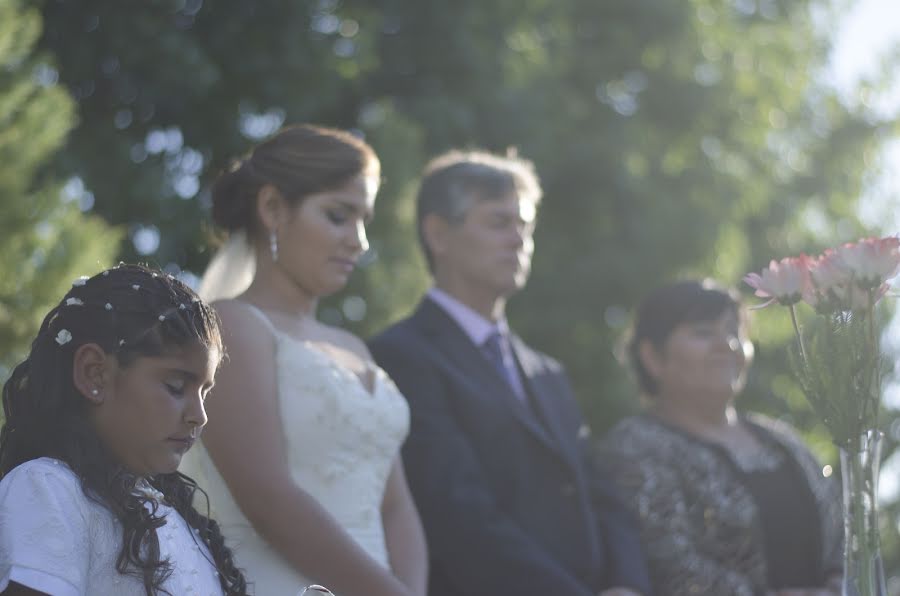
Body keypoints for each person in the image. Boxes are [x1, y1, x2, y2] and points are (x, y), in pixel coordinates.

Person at [369, 150, 651, 596]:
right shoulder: (401, 356)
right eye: (499, 223)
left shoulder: (548, 372)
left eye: (526, 225)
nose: (519, 239)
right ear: (439, 233)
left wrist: (627, 586)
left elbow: (601, 495)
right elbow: (456, 513)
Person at [182, 124, 427, 596]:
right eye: (338, 215)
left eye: (365, 221)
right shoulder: (231, 326)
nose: (360, 242)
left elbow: (395, 505)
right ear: (273, 207)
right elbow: (269, 499)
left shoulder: (356, 349)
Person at [0, 264, 247, 596]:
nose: (200, 416)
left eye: (205, 392)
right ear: (94, 373)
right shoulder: (50, 489)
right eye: (176, 386)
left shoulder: (173, 513)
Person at [600, 279, 843, 596]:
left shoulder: (783, 439)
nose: (726, 344)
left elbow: (845, 529)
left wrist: (844, 585)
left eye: (734, 332)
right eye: (703, 332)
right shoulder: (633, 447)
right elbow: (667, 563)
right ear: (652, 357)